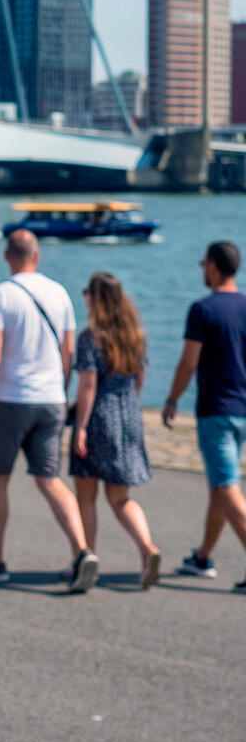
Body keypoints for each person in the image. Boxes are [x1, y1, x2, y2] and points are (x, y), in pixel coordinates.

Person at [0, 229, 98, 592]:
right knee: (50, 479)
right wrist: (61, 388)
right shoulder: (60, 293)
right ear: (37, 256)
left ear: (7, 256)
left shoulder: (0, 294)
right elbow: (68, 350)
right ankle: (82, 551)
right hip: (51, 398)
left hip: (10, 399)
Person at [163, 240, 246, 591]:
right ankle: (203, 557)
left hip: (216, 410)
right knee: (218, 485)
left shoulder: (203, 309)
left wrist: (171, 399)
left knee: (227, 487)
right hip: (242, 409)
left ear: (212, 266)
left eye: (202, 264)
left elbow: (188, 362)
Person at [70, 273, 161, 589]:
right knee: (120, 497)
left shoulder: (91, 337)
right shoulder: (135, 335)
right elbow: (139, 380)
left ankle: (87, 558)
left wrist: (80, 428)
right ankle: (147, 549)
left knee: (86, 497)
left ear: (95, 298)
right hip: (128, 414)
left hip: (98, 416)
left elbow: (88, 385)